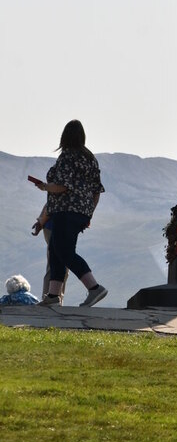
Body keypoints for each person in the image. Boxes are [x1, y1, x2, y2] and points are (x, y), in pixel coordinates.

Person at [34, 120, 107, 307]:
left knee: (64, 251)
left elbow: (61, 186)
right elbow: (96, 191)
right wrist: (89, 213)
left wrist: (44, 187)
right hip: (81, 213)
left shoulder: (67, 157)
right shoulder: (90, 158)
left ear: (64, 137)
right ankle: (53, 295)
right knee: (56, 249)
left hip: (65, 211)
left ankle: (94, 287)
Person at [32, 205, 69, 303]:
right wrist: (41, 221)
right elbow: (53, 200)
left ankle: (54, 299)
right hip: (54, 225)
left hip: (62, 225)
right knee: (56, 263)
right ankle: (50, 298)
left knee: (61, 263)